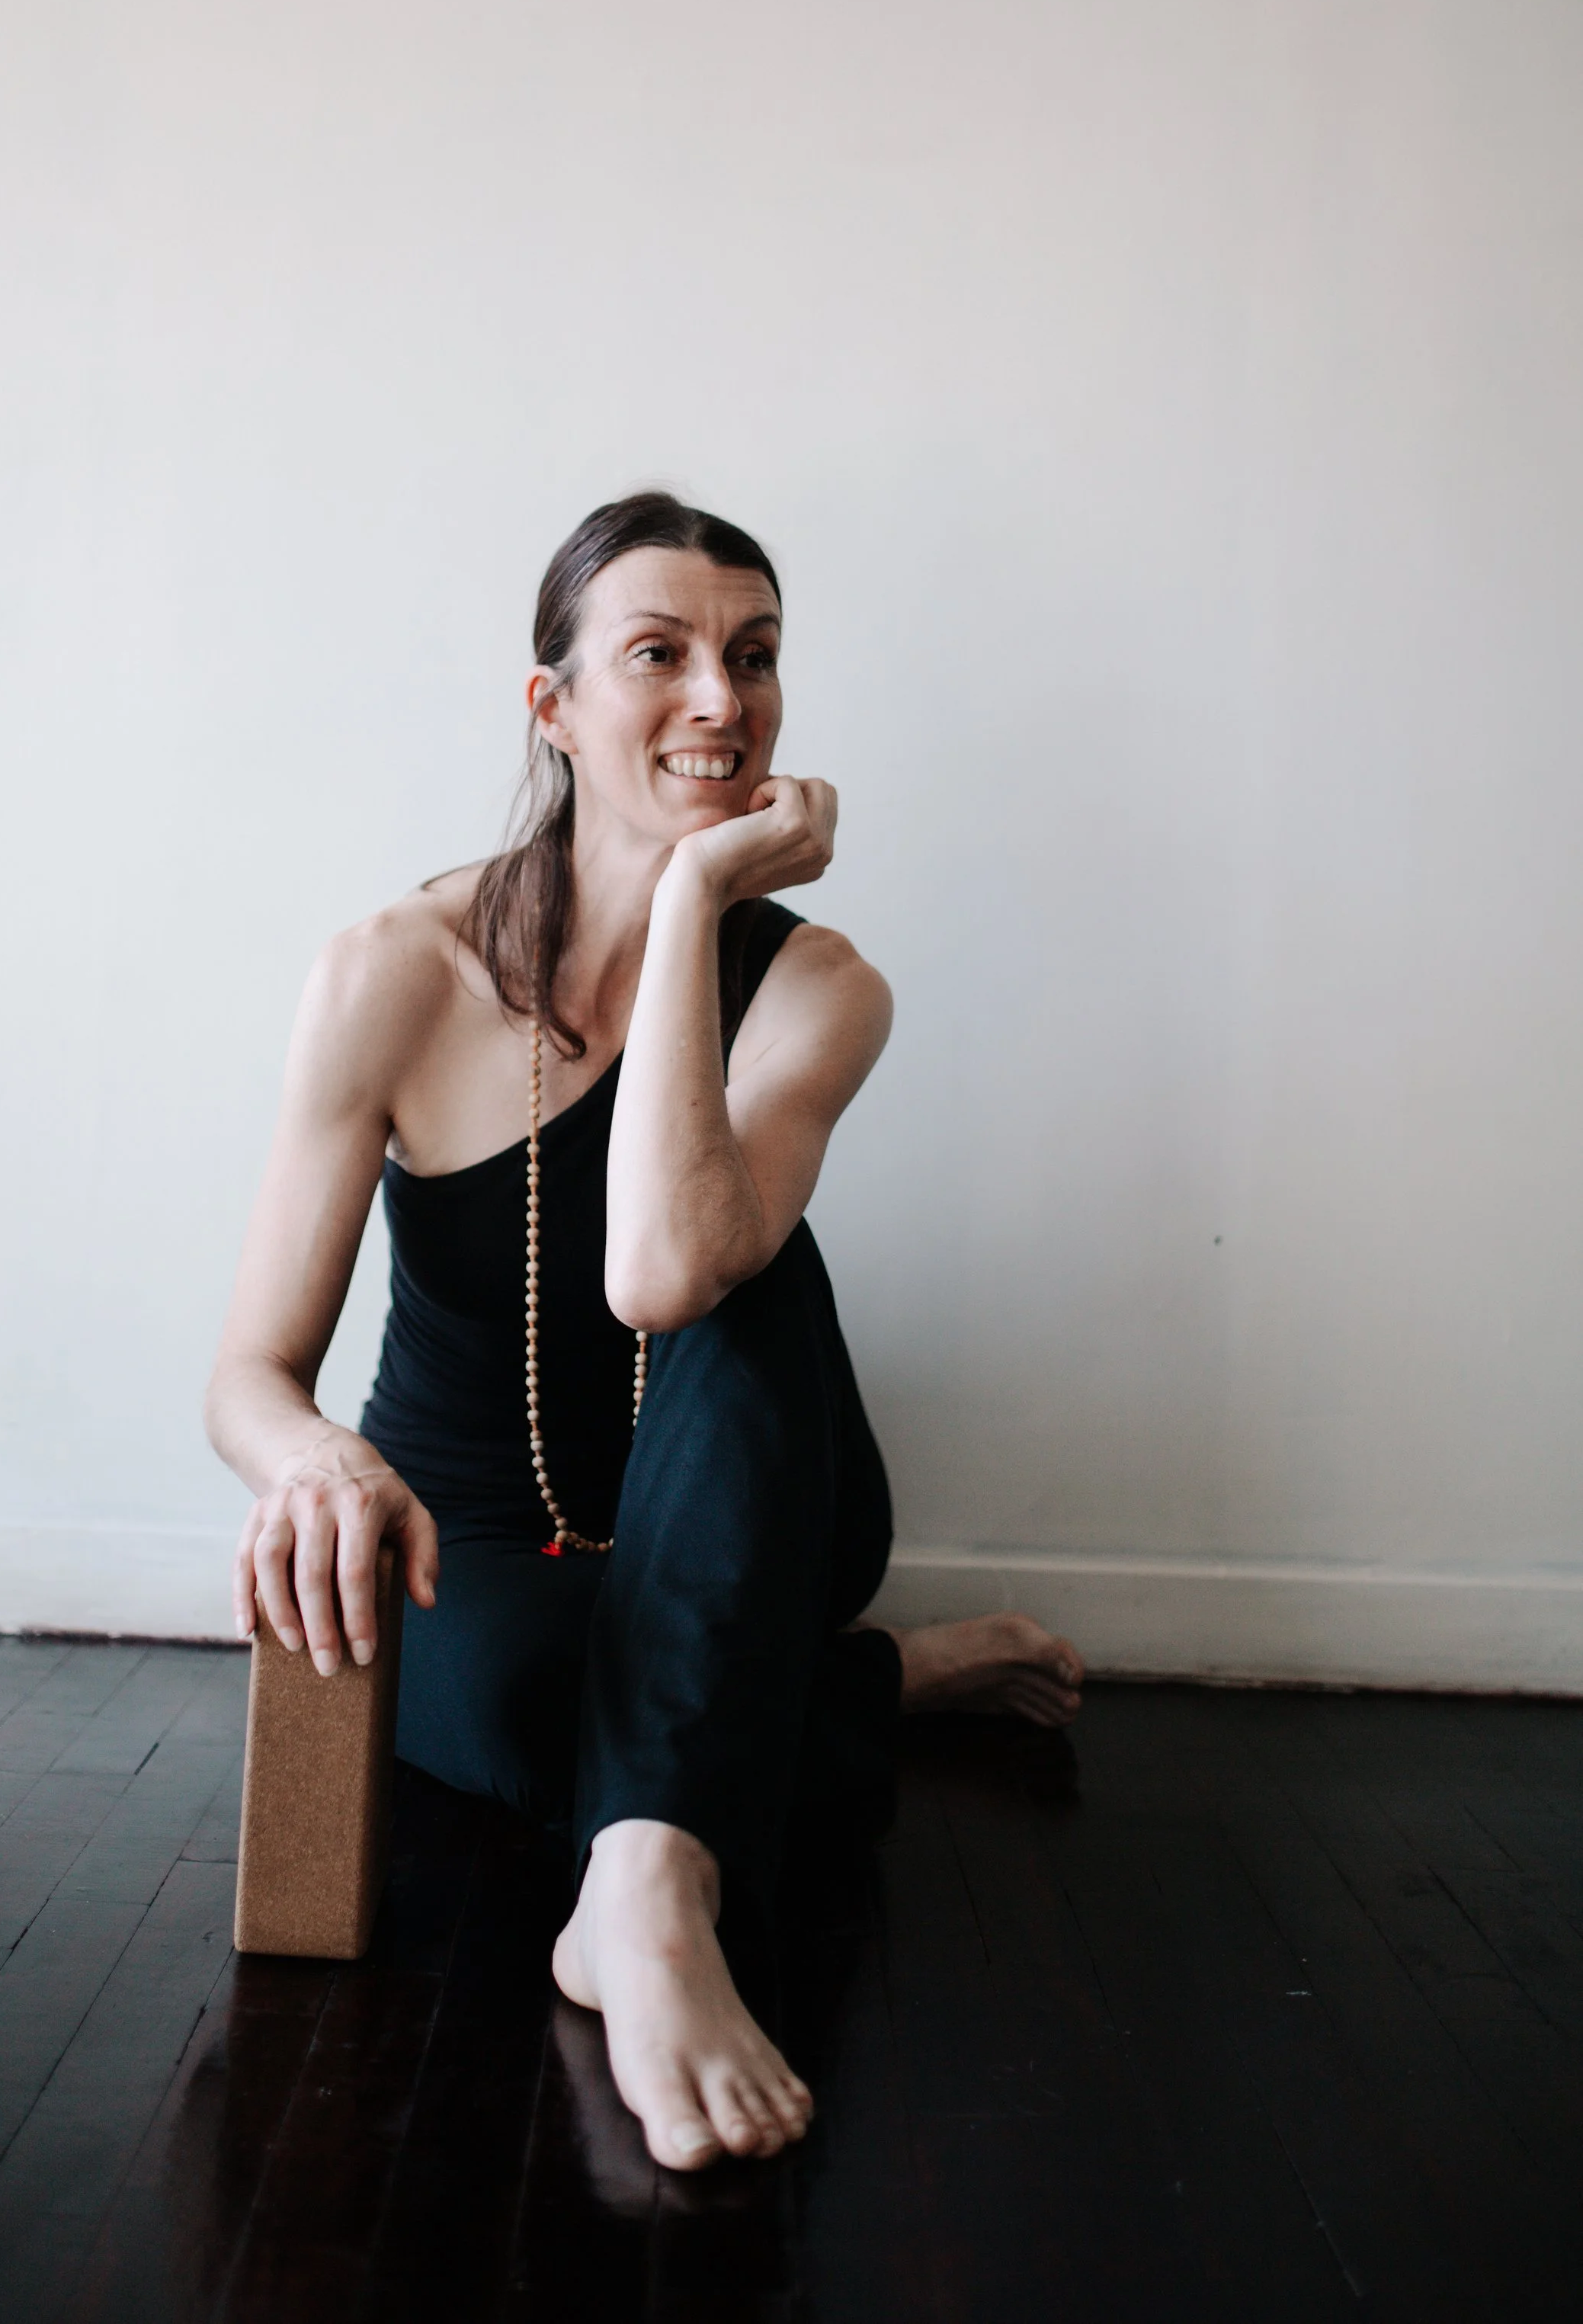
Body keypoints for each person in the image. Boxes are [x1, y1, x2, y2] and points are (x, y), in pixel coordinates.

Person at [205, 490, 1083, 2173]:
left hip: (762, 1505)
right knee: (546, 1719)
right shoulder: (389, 969)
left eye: (751, 659)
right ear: (552, 706)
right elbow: (248, 1371)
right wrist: (314, 1456)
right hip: (480, 1533)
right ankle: (877, 1686)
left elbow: (666, 1274)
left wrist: (687, 909)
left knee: (756, 1271)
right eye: (657, 653)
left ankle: (650, 1902)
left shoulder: (820, 981)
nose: (718, 700)